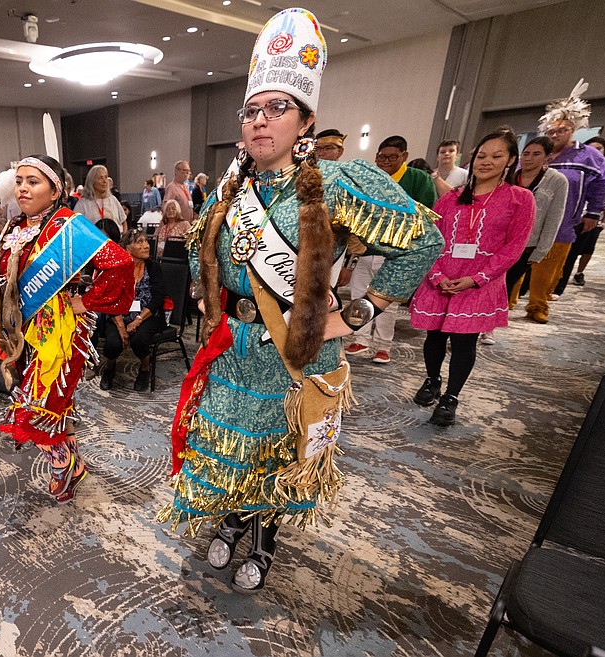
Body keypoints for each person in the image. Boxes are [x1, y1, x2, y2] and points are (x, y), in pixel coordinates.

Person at [160, 11, 442, 594]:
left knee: (275, 449)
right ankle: (236, 518)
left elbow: (425, 241)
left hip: (291, 348)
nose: (260, 122)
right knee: (235, 444)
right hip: (233, 348)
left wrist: (358, 312)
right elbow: (200, 254)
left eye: (276, 109)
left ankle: (263, 540)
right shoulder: (230, 188)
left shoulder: (338, 183)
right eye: (251, 111)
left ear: (305, 119)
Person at [0, 155, 134, 504]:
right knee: (56, 405)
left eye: (33, 181)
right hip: (22, 330)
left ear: (55, 189)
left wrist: (85, 303)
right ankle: (72, 466)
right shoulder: (14, 226)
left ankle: (62, 462)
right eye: (20, 180)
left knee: (38, 406)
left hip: (58, 334)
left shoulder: (68, 225)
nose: (23, 188)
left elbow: (120, 263)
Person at [409, 130, 534, 426]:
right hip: (441, 277)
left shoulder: (519, 199)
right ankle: (432, 380)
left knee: (464, 342)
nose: (486, 162)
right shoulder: (450, 198)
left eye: (496, 156)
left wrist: (477, 278)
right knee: (434, 336)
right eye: (481, 156)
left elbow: (514, 247)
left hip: (480, 282)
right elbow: (432, 238)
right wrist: (437, 275)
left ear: (510, 161)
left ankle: (450, 397)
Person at [345, 136, 439, 361]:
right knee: (358, 295)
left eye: (392, 157)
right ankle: (360, 339)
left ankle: (383, 345)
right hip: (365, 250)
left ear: (404, 156)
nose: (385, 161)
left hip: (397, 252)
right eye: (381, 157)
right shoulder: (370, 178)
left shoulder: (418, 179)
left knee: (387, 301)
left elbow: (425, 214)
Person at [542, 81, 605, 299]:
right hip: (535, 216)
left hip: (566, 219)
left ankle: (540, 303)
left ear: (572, 130)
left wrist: (593, 212)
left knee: (554, 262)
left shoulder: (589, 156)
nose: (555, 135)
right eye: (551, 131)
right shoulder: (538, 153)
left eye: (561, 131)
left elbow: (601, 185)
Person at [507, 137, 569, 322]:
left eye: (536, 154)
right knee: (494, 285)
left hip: (529, 243)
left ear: (547, 157)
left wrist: (541, 249)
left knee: (507, 284)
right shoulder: (510, 177)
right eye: (525, 154)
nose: (529, 158)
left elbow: (554, 217)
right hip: (502, 241)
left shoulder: (557, 181)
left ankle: (489, 327)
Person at [99, 229, 166, 392]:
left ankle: (144, 369)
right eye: (140, 242)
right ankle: (109, 368)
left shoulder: (154, 267)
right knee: (113, 343)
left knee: (139, 340)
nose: (146, 246)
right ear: (128, 248)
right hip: (119, 315)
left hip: (147, 315)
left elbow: (157, 298)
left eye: (146, 241)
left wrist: (138, 320)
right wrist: (121, 326)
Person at [570, 136, 605, 286]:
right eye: (591, 148)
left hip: (592, 214)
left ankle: (579, 272)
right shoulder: (581, 167)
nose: (594, 152)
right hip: (574, 214)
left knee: (588, 248)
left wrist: (600, 218)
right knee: (570, 250)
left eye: (598, 149)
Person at [74, 164, 125, 232]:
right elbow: (76, 226)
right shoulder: (82, 204)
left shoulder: (113, 199)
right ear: (92, 181)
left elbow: (124, 222)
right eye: (100, 178)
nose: (104, 181)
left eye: (106, 177)